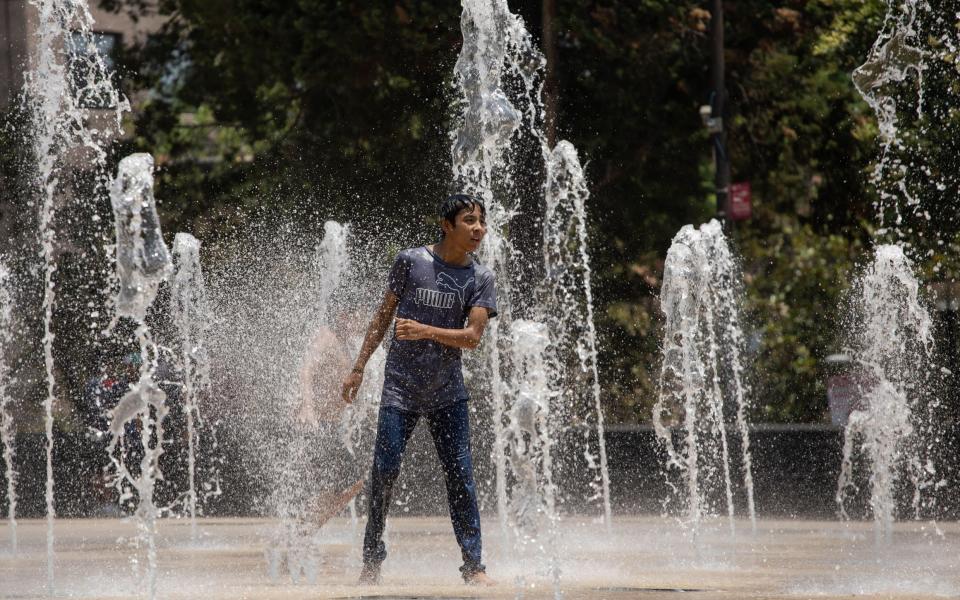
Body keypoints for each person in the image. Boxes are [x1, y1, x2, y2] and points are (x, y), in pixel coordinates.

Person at [341, 194, 497, 586]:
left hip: (448, 393)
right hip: (400, 390)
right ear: (447, 226)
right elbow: (382, 317)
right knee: (385, 470)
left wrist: (426, 331)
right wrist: (358, 367)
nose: (478, 228)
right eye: (469, 220)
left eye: (481, 221)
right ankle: (371, 562)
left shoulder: (481, 278)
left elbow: (473, 337)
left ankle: (474, 567)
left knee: (460, 475)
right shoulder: (411, 261)